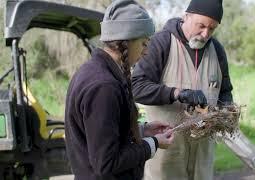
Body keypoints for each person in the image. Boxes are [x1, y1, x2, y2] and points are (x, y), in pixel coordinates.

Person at [64, 0, 174, 180]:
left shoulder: (92, 71)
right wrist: (153, 144)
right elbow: (107, 162)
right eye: (144, 44)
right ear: (126, 42)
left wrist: (141, 130)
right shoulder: (104, 87)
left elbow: (102, 134)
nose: (146, 52)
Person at [132, 0, 233, 179]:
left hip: (202, 159)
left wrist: (227, 111)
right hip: (166, 155)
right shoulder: (161, 42)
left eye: (212, 29)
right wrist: (177, 93)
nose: (205, 34)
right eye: (201, 25)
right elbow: (137, 87)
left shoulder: (217, 50)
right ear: (186, 16)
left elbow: (224, 91)